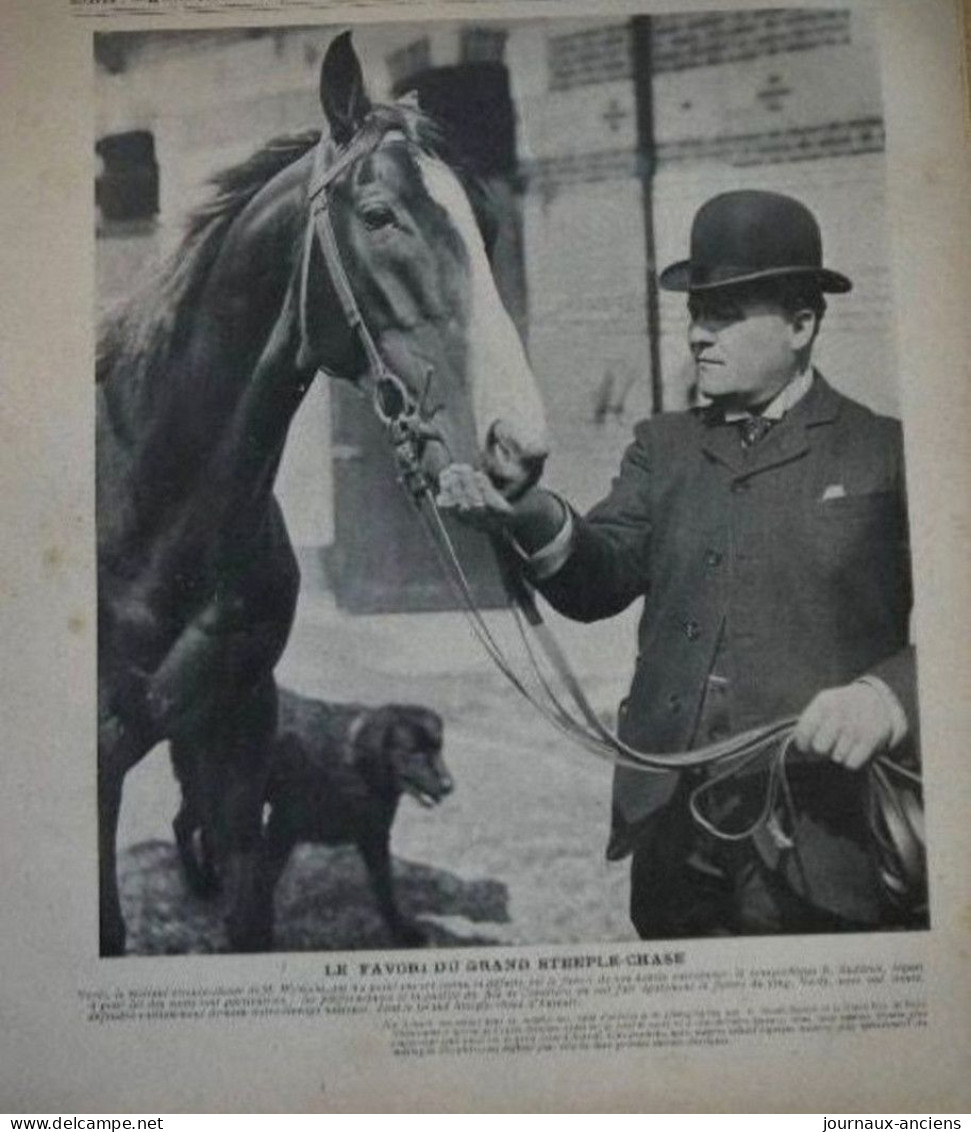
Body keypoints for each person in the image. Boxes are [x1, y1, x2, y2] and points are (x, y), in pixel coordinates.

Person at [438, 189, 923, 938]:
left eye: (725, 315)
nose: (699, 335)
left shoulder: (886, 453)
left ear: (800, 323)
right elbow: (596, 577)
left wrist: (884, 698)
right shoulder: (661, 448)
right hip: (669, 828)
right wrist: (525, 508)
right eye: (695, 313)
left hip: (823, 838)